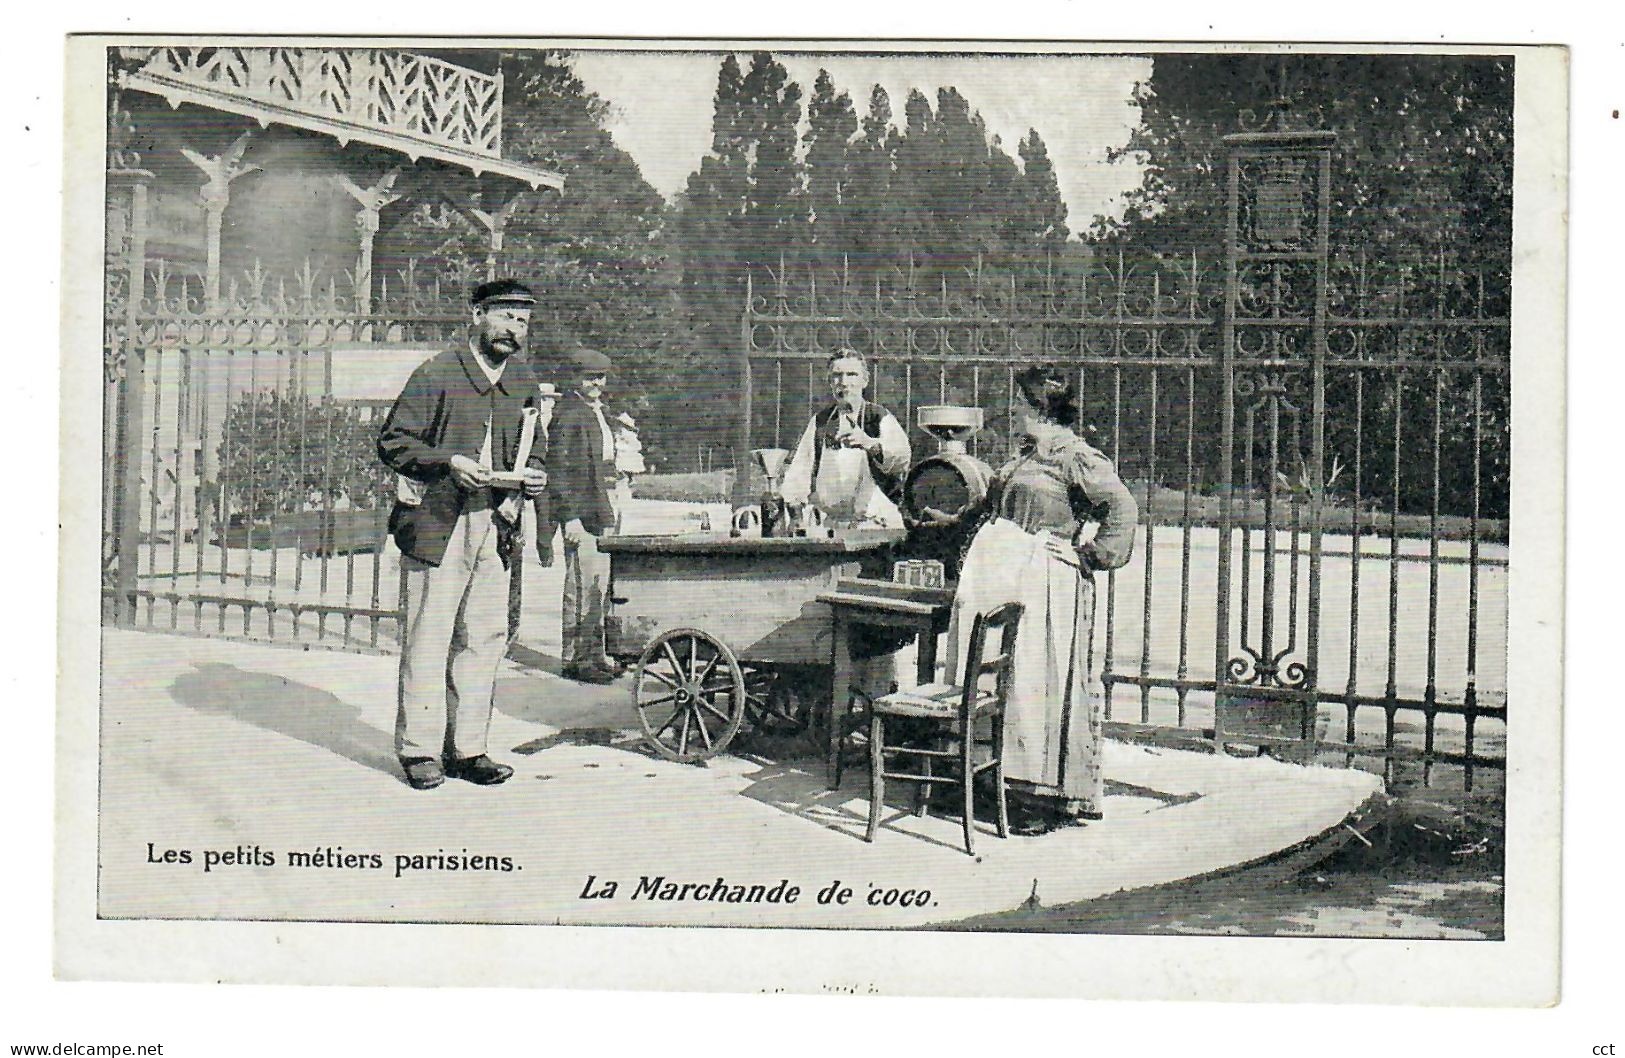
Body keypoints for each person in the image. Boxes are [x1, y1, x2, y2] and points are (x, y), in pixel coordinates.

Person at [945, 366, 1138, 827]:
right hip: (1006, 577)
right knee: (999, 680)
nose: (1011, 411)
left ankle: (1037, 798)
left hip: (1047, 582)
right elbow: (993, 507)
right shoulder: (1028, 455)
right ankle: (992, 784)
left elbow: (1121, 508)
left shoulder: (1075, 456)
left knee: (1036, 684)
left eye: (1018, 404)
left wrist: (1088, 553)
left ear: (1039, 409)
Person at [377, 278, 549, 790]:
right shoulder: (437, 372)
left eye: (522, 321)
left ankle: (468, 748)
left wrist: (534, 474)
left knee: (484, 638)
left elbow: (534, 445)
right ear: (476, 315)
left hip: (495, 523)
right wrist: (447, 462)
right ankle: (419, 750)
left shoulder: (524, 381)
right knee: (429, 635)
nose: (512, 330)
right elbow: (393, 442)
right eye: (503, 317)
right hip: (438, 522)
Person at [548, 347, 625, 685]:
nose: (596, 382)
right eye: (589, 377)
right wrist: (570, 518)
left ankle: (596, 654)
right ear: (574, 378)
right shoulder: (568, 414)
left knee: (600, 583)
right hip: (582, 509)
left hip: (603, 502)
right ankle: (576, 659)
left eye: (601, 377)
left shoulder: (596, 411)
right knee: (581, 584)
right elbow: (559, 470)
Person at [778, 349, 911, 530]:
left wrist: (870, 444)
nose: (844, 382)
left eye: (852, 375)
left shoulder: (878, 417)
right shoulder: (821, 422)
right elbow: (799, 472)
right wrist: (795, 515)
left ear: (865, 381)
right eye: (837, 375)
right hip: (832, 526)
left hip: (876, 525)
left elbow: (901, 458)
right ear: (830, 382)